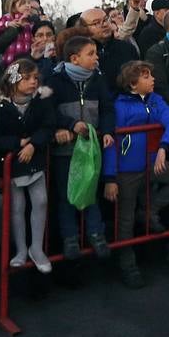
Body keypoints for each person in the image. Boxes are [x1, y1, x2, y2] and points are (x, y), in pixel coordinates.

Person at [103, 61, 169, 286]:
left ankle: (150, 209)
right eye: (146, 76)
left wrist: (164, 146)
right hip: (126, 171)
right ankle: (128, 265)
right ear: (133, 84)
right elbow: (111, 143)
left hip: (153, 163)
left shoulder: (155, 99)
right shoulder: (119, 106)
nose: (152, 79)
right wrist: (110, 178)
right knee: (125, 220)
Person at [46, 35, 115, 260]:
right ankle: (70, 238)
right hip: (65, 151)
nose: (96, 58)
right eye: (91, 54)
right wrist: (69, 124)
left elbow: (107, 108)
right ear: (75, 59)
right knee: (66, 196)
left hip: (90, 148)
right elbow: (48, 111)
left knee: (91, 192)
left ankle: (96, 234)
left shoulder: (98, 79)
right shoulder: (55, 80)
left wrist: (106, 132)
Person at [0, 60, 54, 273]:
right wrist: (17, 144)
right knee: (16, 207)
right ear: (14, 80)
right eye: (27, 78)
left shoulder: (42, 100)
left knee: (41, 201)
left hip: (35, 159)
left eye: (35, 78)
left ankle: (37, 248)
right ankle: (20, 249)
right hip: (13, 162)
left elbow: (48, 125)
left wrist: (34, 143)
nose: (33, 82)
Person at [79, 7, 138, 84]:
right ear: (84, 28)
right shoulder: (81, 54)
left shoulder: (127, 48)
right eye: (96, 23)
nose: (104, 25)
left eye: (105, 20)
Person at [0, 0, 41, 67]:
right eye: (23, 3)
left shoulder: (31, 21)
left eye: (28, 3)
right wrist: (6, 24)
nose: (27, 5)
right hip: (9, 62)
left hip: (26, 62)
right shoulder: (7, 18)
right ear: (13, 7)